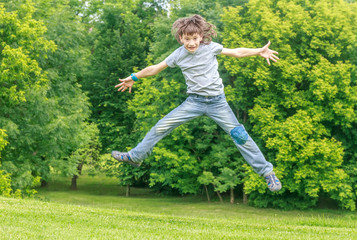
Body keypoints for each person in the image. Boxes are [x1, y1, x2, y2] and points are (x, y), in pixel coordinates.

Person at [112, 14, 281, 192]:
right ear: (180, 38)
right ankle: (136, 156)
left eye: (194, 38)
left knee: (240, 135)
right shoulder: (178, 55)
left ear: (201, 37)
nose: (191, 43)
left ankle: (267, 172)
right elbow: (154, 69)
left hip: (218, 103)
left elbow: (237, 52)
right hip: (194, 102)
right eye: (187, 39)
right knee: (162, 126)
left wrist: (258, 51)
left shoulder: (210, 48)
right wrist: (133, 77)